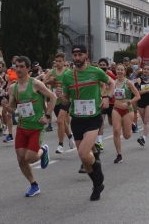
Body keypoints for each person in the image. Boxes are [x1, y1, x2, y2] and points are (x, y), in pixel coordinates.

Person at [56, 45, 115, 201]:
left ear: (86, 55)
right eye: (74, 55)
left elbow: (112, 84)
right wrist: (60, 96)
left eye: (80, 54)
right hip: (77, 118)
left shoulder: (96, 72)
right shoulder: (68, 76)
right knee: (84, 158)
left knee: (83, 153)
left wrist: (107, 98)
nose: (76, 58)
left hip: (93, 117)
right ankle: (97, 184)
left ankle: (98, 169)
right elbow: (66, 100)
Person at [1, 56, 56, 197]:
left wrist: (48, 116)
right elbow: (13, 109)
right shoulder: (13, 88)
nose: (18, 69)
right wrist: (7, 107)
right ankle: (34, 185)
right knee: (20, 158)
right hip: (22, 126)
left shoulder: (36, 84)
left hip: (36, 126)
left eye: (21, 67)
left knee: (30, 158)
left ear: (28, 69)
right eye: (16, 66)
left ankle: (43, 151)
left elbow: (52, 97)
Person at [42, 52, 75, 153]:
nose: (58, 63)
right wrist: (49, 81)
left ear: (64, 62)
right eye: (56, 61)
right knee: (63, 122)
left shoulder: (68, 72)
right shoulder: (51, 72)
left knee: (60, 121)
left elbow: (73, 85)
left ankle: (60, 145)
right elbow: (41, 84)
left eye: (60, 61)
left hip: (65, 99)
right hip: (55, 100)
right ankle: (70, 136)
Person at [112, 64, 140, 163]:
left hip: (128, 110)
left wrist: (128, 102)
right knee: (116, 131)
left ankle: (131, 124)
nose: (119, 71)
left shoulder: (128, 83)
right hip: (116, 109)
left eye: (121, 70)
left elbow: (137, 96)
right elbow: (107, 93)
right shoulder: (113, 83)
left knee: (127, 136)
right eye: (118, 69)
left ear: (124, 71)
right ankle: (119, 155)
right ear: (116, 71)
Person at [97, 58, 117, 150]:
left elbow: (116, 83)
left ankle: (123, 123)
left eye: (103, 65)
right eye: (100, 65)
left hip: (111, 101)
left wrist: (109, 87)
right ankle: (100, 142)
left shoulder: (110, 74)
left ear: (107, 66)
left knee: (111, 122)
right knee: (101, 121)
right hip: (101, 100)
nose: (102, 67)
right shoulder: (96, 74)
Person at [135, 64, 149, 146]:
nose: (146, 70)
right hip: (141, 102)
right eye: (145, 69)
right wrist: (148, 90)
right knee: (144, 121)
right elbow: (137, 92)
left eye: (148, 69)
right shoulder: (139, 80)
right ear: (142, 70)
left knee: (146, 121)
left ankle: (143, 138)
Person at [3, 56, 19, 142]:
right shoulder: (9, 71)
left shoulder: (21, 71)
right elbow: (7, 82)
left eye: (16, 62)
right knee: (9, 115)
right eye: (14, 62)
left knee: (23, 116)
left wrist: (17, 82)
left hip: (21, 94)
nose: (15, 64)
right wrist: (7, 89)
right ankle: (10, 135)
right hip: (12, 94)